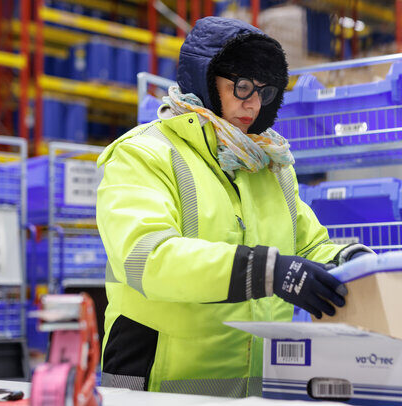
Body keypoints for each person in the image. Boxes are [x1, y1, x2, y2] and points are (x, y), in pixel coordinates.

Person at [96, 16, 372, 397]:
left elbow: (308, 247)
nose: (253, 105)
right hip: (155, 389)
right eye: (242, 87)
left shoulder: (268, 164)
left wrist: (349, 261)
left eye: (265, 92)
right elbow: (149, 259)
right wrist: (266, 270)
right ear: (206, 80)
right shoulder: (143, 154)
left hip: (255, 391)